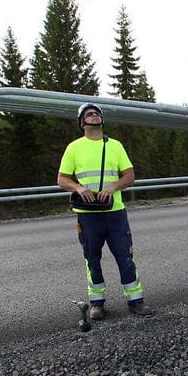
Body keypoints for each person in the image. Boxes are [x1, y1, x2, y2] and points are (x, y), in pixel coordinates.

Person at [58, 102, 153, 320]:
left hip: (115, 213)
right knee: (92, 258)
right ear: (82, 122)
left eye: (97, 113)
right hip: (88, 215)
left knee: (125, 256)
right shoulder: (74, 148)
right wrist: (79, 188)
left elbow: (129, 176)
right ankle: (97, 303)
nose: (94, 116)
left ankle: (135, 301)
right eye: (89, 114)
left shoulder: (115, 146)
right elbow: (62, 178)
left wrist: (112, 188)